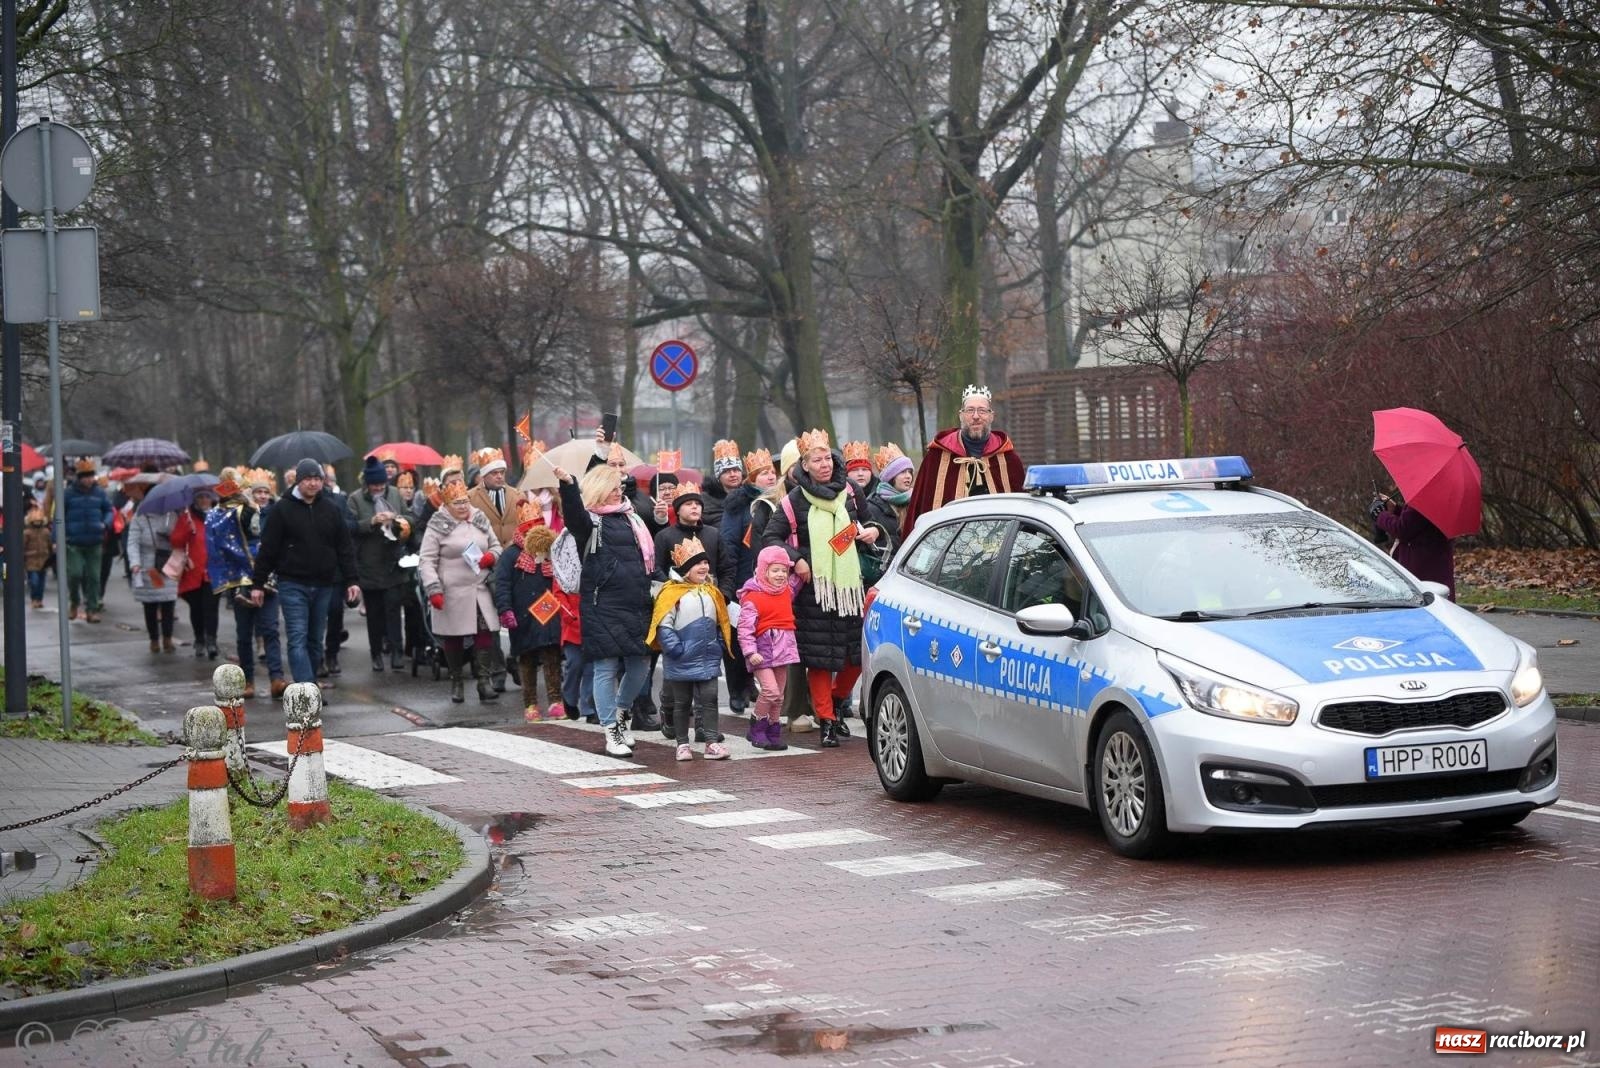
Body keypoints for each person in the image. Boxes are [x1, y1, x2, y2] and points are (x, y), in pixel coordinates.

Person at [762, 428, 879, 748]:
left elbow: (873, 525)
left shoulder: (852, 491)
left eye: (828, 457)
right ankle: (827, 721)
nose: (825, 463)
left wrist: (871, 533)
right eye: (817, 459)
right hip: (815, 590)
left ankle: (837, 702)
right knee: (820, 660)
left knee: (856, 656)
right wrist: (796, 559)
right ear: (806, 464)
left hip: (849, 587)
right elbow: (770, 539)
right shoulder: (793, 501)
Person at [553, 462, 655, 757]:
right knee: (605, 668)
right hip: (602, 605)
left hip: (636, 603)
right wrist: (568, 486)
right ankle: (610, 729)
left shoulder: (632, 518)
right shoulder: (590, 522)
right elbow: (573, 516)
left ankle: (622, 713)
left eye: (620, 487)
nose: (618, 493)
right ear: (598, 490)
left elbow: (645, 558)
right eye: (612, 488)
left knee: (641, 666)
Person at [250, 458, 360, 691]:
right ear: (298, 481)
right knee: (297, 636)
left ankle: (309, 681)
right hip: (292, 582)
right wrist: (257, 583)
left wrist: (352, 580)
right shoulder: (283, 509)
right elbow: (268, 548)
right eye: (308, 479)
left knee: (314, 640)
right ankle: (306, 691)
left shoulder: (330, 508)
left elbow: (344, 546)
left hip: (323, 584)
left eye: (317, 479)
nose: (313, 484)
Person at [653, 481, 726, 742]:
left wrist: (723, 596)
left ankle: (705, 726)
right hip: (678, 605)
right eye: (688, 504)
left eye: (698, 503)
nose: (695, 507)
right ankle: (669, 710)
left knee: (706, 665)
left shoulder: (713, 535)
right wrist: (672, 590)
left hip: (708, 603)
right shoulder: (665, 537)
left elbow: (725, 567)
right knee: (679, 665)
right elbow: (656, 568)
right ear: (678, 509)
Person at [903, 384, 1026, 539]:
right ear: (961, 415)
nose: (976, 416)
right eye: (970, 410)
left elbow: (1023, 511)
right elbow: (918, 509)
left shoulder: (1008, 460)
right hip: (949, 546)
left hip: (996, 543)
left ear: (991, 416)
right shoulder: (937, 457)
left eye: (982, 410)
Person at [648, 536, 733, 761]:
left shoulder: (711, 591)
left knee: (710, 699)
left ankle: (711, 743)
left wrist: (720, 643)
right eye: (698, 563)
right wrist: (676, 649)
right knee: (682, 702)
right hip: (681, 657)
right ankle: (682, 744)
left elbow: (720, 621)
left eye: (706, 563)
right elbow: (663, 625)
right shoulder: (671, 593)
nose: (704, 567)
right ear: (686, 569)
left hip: (708, 656)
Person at [419, 481, 503, 703]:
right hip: (451, 590)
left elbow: (496, 546)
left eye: (465, 501)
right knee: (453, 637)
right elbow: (426, 560)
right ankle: (456, 680)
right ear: (447, 504)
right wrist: (433, 588)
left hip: (480, 587)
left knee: (485, 633)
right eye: (457, 503)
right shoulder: (437, 524)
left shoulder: (479, 517)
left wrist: (491, 557)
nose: (463, 506)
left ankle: (484, 681)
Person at [206, 472, 285, 698]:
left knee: (270, 630)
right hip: (241, 578)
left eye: (265, 492)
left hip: (268, 579)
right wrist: (243, 502)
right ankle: (247, 681)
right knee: (244, 634)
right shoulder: (233, 512)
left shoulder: (276, 512)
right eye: (257, 491)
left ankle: (276, 679)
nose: (261, 495)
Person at [496, 512, 566, 721]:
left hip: (550, 613)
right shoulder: (510, 555)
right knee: (527, 660)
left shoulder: (551, 551)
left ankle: (556, 700)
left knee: (552, 656)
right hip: (523, 615)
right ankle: (530, 704)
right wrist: (505, 609)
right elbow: (502, 584)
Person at [348, 456, 415, 672]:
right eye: (374, 485)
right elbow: (349, 527)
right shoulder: (355, 499)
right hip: (369, 564)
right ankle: (376, 653)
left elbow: (410, 518)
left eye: (381, 484)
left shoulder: (395, 494)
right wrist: (371, 522)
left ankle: (397, 652)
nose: (378, 488)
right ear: (367, 484)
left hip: (393, 562)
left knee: (394, 610)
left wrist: (397, 520)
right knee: (375, 614)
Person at [737, 545, 800, 752]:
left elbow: (801, 576)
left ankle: (773, 732)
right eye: (775, 570)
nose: (781, 575)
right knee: (770, 691)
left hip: (783, 650)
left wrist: (800, 560)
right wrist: (750, 652)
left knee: (779, 695)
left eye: (784, 570)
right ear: (763, 570)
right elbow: (745, 628)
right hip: (762, 653)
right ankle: (756, 725)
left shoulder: (786, 591)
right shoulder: (752, 597)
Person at [466, 447, 519, 692]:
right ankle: (497, 671)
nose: (500, 476)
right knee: (491, 623)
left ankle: (516, 660)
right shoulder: (470, 498)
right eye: (494, 472)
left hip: (515, 563)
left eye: (502, 472)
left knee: (516, 617)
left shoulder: (516, 495)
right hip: (484, 567)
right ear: (484, 475)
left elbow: (523, 523)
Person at [59, 458, 114, 621]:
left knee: (94, 577)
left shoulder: (99, 493)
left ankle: (92, 609)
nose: (90, 479)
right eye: (86, 476)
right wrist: (57, 538)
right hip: (74, 542)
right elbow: (58, 517)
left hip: (95, 541)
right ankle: (74, 601)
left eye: (91, 476)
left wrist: (106, 523)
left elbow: (109, 510)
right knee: (75, 574)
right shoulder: (68, 494)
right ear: (79, 477)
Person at [171, 485, 220, 659]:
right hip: (193, 571)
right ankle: (199, 639)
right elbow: (175, 540)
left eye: (207, 497)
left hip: (213, 571)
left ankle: (212, 641)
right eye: (200, 497)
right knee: (197, 608)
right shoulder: (187, 518)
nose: (204, 500)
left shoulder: (218, 516)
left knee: (212, 608)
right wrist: (186, 530)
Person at [1376, 493, 1457, 600]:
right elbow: (1419, 521)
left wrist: (1381, 515)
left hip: (1423, 571)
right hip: (1435, 566)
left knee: (1426, 609)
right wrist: (1396, 509)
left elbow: (1403, 529)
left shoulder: (1424, 497)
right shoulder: (1438, 495)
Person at [126, 497, 179, 653]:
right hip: (147, 567)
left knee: (169, 603)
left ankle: (168, 638)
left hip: (168, 564)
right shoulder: (139, 518)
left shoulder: (173, 516)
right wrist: (135, 563)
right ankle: (154, 639)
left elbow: (180, 538)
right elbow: (133, 542)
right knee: (150, 604)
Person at [865, 444, 915, 555]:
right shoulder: (873, 507)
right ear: (890, 477)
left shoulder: (916, 501)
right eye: (902, 472)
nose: (908, 476)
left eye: (909, 472)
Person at [701, 438, 743, 529]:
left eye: (736, 470)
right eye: (727, 471)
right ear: (718, 476)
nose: (733, 475)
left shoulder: (750, 494)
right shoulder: (706, 499)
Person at [22, 496, 52, 609]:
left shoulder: (45, 532)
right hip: (31, 561)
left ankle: (39, 599)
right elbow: (22, 546)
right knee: (34, 582)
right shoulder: (27, 533)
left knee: (41, 583)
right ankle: (34, 598)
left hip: (43, 560)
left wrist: (51, 555)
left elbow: (49, 545)